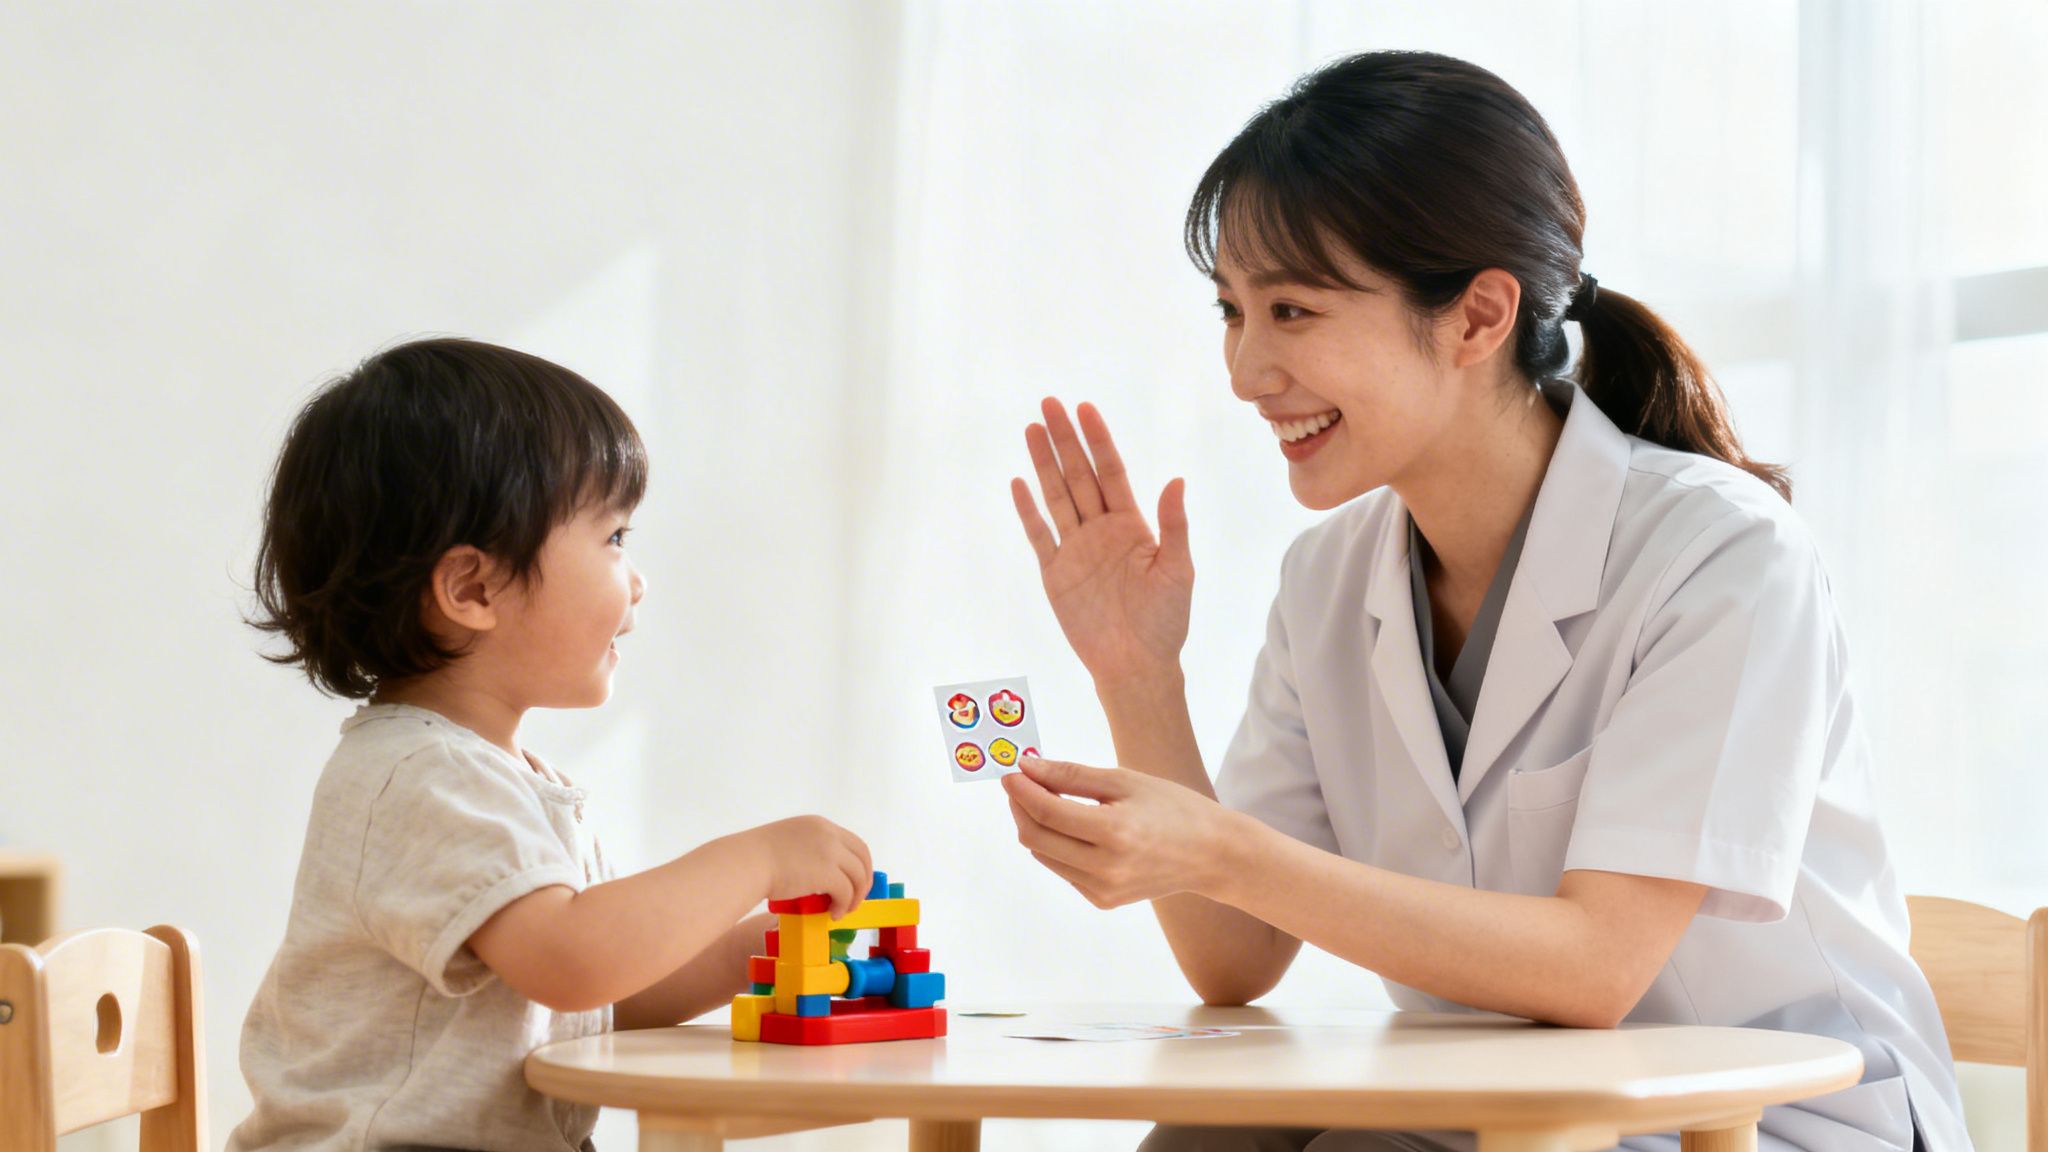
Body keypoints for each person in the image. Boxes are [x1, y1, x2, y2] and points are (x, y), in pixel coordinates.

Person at [1003, 51, 1966, 1152]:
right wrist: (1136, 670)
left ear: (1474, 319)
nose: (1244, 368)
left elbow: (1594, 967)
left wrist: (1223, 850)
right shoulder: (1326, 579)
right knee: (1208, 1135)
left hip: (1766, 1119)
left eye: (1292, 310)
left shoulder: (1722, 557)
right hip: (1493, 1110)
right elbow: (1230, 958)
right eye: (1231, 311)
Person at [230, 338, 873, 1152]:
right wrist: (758, 860)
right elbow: (574, 961)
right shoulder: (415, 777)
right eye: (612, 539)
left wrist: (753, 954)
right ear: (473, 589)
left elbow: (592, 994)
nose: (636, 579)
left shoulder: (504, 779)